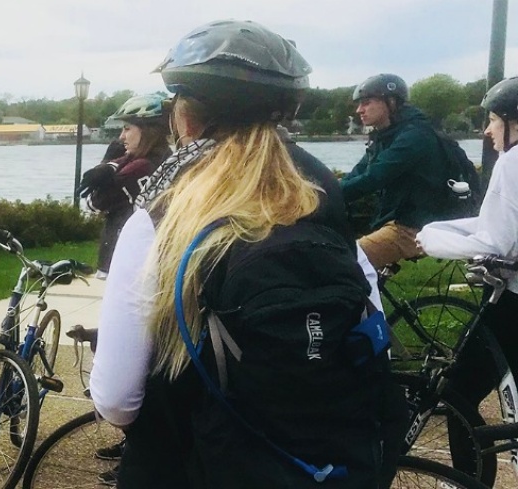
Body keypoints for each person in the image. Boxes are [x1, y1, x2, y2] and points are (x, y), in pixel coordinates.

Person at [88, 20, 400, 488]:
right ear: (285, 111)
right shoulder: (320, 195)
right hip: (327, 461)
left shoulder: (161, 214)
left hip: (190, 463)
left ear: (185, 118)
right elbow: (371, 328)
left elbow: (116, 397)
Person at [417, 75, 518, 476]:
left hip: (512, 302)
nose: (487, 129)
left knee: (458, 393)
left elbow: (495, 243)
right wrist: (446, 227)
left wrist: (431, 240)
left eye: (493, 119)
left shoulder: (513, 162)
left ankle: (467, 481)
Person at [341, 73, 456, 268]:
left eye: (367, 102)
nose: (359, 110)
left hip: (415, 227)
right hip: (398, 219)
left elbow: (373, 178)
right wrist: (319, 190)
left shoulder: (415, 136)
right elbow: (357, 174)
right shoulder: (386, 136)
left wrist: (323, 197)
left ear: (391, 102)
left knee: (346, 263)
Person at [78, 93, 172, 279]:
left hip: (123, 259)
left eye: (127, 129)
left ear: (147, 131)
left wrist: (106, 162)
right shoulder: (165, 157)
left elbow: (92, 204)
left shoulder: (136, 169)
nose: (122, 136)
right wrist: (112, 165)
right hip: (152, 256)